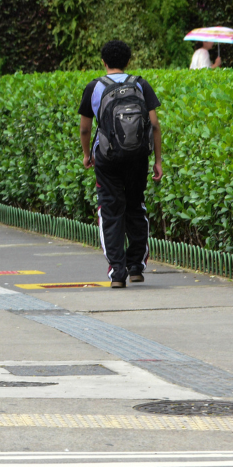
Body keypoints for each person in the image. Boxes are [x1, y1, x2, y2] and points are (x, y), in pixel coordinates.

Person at [79, 40, 163, 288]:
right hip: (138, 156)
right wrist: (158, 160)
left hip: (107, 158)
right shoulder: (140, 83)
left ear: (103, 62)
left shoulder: (94, 87)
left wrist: (86, 155)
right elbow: (155, 125)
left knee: (110, 210)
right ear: (128, 61)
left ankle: (117, 271)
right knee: (136, 206)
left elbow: (85, 129)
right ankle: (136, 267)